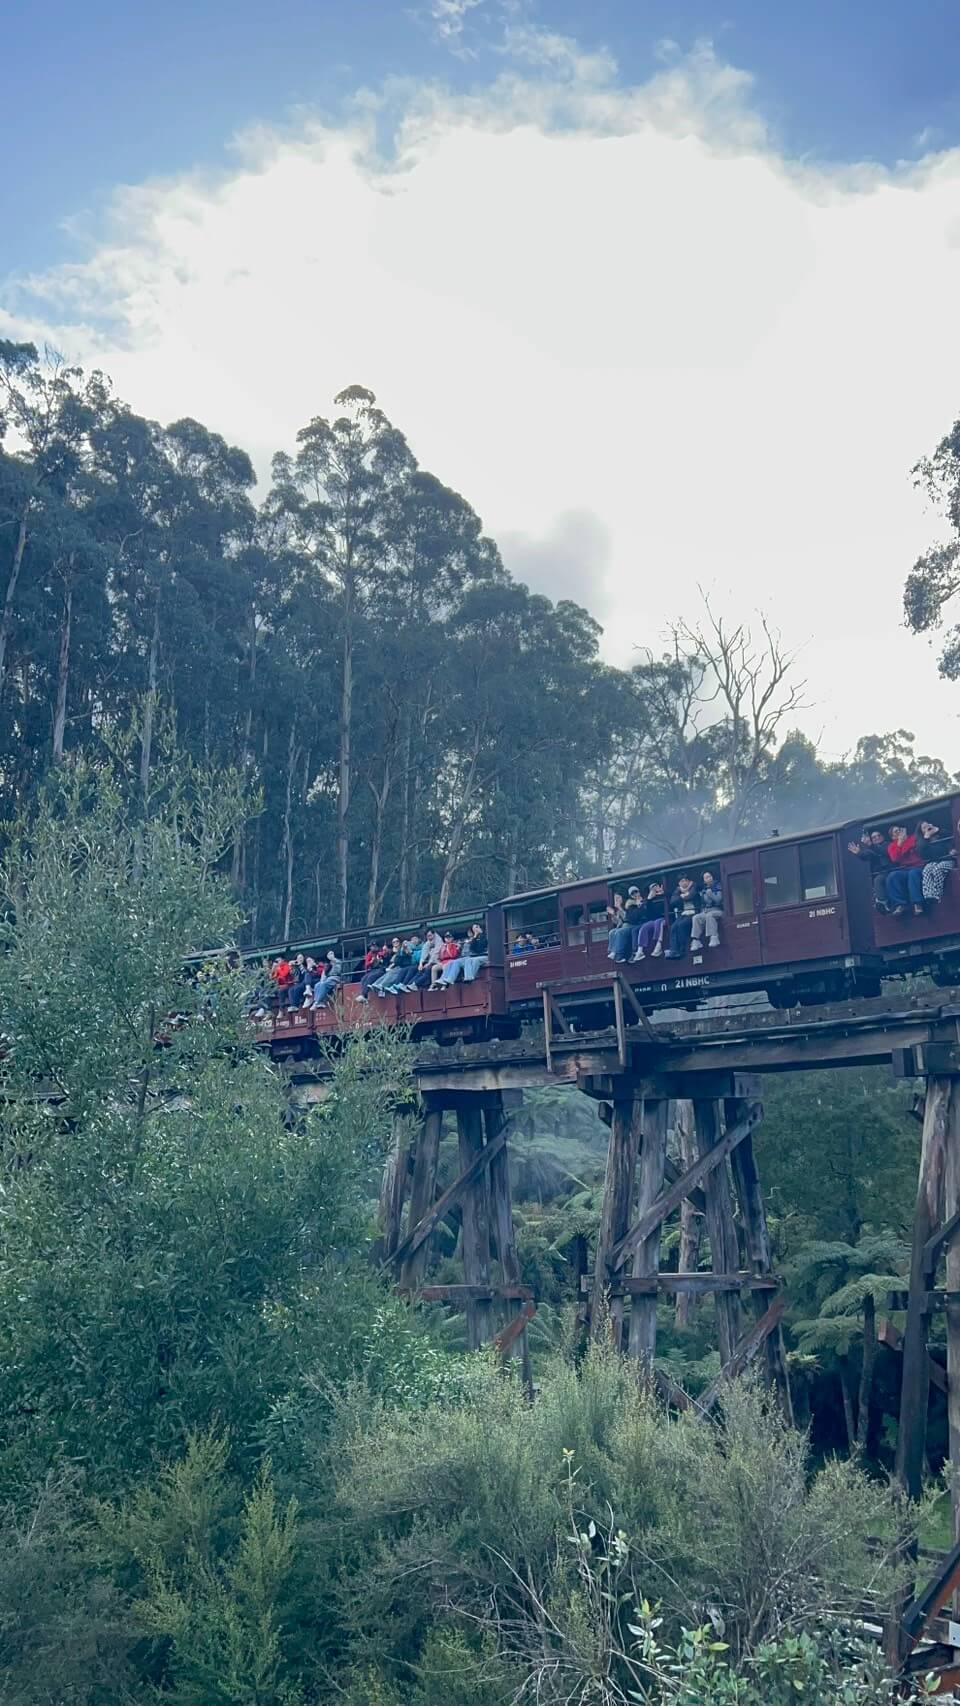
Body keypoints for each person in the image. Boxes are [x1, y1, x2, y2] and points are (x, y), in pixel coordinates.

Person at [847, 829, 892, 912]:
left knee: (878, 880)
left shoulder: (888, 844)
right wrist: (859, 853)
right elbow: (867, 854)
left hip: (890, 871)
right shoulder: (872, 849)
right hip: (881, 874)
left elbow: (883, 851)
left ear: (883, 836)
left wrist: (870, 845)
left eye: (878, 836)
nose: (877, 838)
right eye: (874, 837)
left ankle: (882, 902)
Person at [886, 825, 925, 915]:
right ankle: (900, 904)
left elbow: (918, 848)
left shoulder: (913, 838)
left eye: (900, 829)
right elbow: (895, 858)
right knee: (892, 876)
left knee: (913, 873)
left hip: (918, 867)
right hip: (904, 869)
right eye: (896, 831)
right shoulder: (892, 846)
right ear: (893, 837)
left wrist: (905, 842)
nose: (899, 832)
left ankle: (917, 904)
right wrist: (900, 843)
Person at [917, 819, 956, 906]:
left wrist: (937, 830)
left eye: (928, 825)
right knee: (927, 870)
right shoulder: (922, 842)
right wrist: (926, 837)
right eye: (924, 827)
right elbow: (921, 852)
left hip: (948, 860)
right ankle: (929, 896)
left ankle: (937, 895)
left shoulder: (941, 833)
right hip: (934, 862)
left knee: (938, 869)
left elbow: (951, 835)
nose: (927, 828)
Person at [664, 875, 698, 958]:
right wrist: (680, 896)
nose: (684, 882)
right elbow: (673, 901)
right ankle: (674, 950)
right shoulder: (677, 891)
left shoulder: (694, 886)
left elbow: (692, 895)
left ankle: (683, 949)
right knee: (673, 927)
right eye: (682, 881)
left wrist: (685, 895)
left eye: (685, 880)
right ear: (679, 883)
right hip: (683, 914)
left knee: (681, 925)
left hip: (694, 912)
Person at [632, 881, 666, 960]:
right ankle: (640, 951)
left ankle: (658, 946)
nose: (655, 889)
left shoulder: (665, 894)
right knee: (644, 926)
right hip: (654, 919)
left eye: (655, 886)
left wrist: (663, 893)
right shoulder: (650, 900)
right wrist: (649, 900)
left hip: (665, 918)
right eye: (652, 888)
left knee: (658, 922)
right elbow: (650, 914)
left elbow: (671, 904)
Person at [691, 871, 723, 950]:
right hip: (706, 910)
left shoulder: (718, 886)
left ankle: (714, 937)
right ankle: (696, 940)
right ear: (704, 880)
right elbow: (703, 903)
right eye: (706, 877)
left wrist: (710, 894)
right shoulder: (703, 889)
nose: (708, 879)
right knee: (696, 917)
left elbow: (718, 900)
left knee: (710, 915)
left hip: (718, 910)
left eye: (709, 876)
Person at [609, 886, 642, 962]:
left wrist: (620, 908)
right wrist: (613, 915)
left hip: (632, 924)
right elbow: (618, 923)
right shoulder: (621, 907)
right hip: (625, 925)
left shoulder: (628, 904)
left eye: (618, 898)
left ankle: (618, 953)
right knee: (612, 932)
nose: (616, 900)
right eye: (615, 899)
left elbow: (628, 918)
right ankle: (612, 951)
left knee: (620, 932)